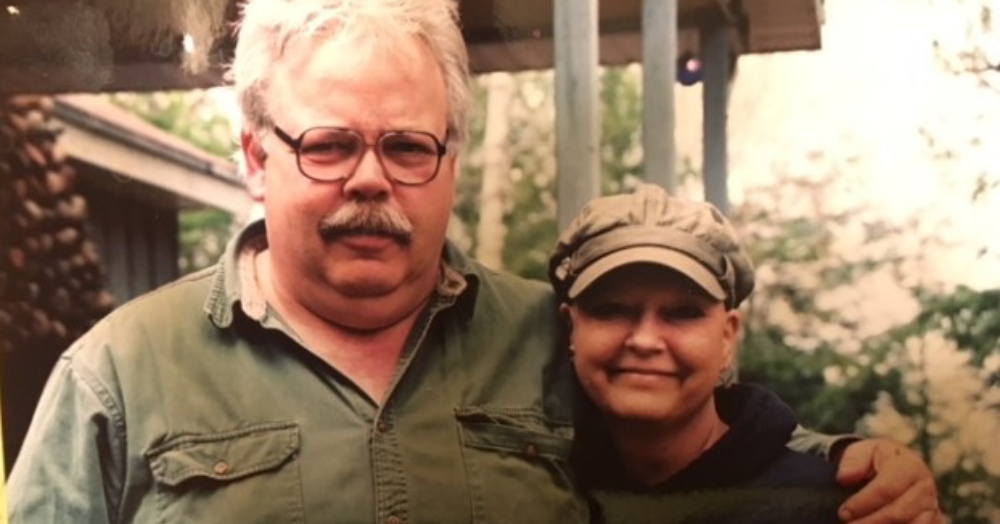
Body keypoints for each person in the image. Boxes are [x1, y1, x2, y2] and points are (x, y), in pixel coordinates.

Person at [7, 0, 942, 523]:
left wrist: (854, 466)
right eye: (329, 145)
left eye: (409, 147)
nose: (370, 183)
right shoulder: (119, 376)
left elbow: (704, 450)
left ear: (452, 154)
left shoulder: (554, 337)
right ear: (258, 155)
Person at [549, 184, 849, 523]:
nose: (645, 340)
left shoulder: (830, 507)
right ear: (570, 328)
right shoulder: (534, 495)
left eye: (684, 313)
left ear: (727, 337)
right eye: (611, 309)